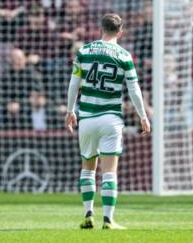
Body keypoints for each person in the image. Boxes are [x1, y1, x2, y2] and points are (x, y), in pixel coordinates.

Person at [66, 13, 150, 230]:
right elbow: (134, 90)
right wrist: (143, 116)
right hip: (111, 117)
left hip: (87, 117)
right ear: (120, 32)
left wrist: (69, 111)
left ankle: (87, 214)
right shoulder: (124, 55)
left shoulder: (84, 50)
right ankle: (108, 219)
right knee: (109, 170)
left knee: (88, 167)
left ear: (100, 29)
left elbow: (74, 84)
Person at [0, 48, 43, 129]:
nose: (17, 61)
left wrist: (20, 104)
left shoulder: (31, 74)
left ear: (24, 59)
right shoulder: (5, 76)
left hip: (27, 107)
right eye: (14, 59)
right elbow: (0, 96)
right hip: (9, 108)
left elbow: (38, 95)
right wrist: (8, 104)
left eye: (19, 58)